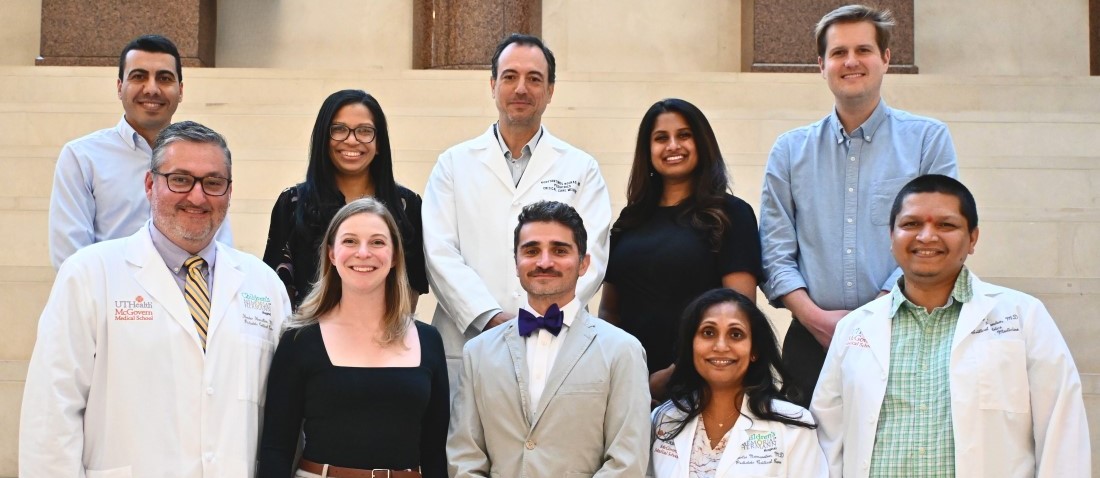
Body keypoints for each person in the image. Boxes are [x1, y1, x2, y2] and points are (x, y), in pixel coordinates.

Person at [20, 121, 290, 476]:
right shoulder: (89, 274)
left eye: (213, 183)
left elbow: (282, 414)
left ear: (228, 192)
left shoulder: (264, 285)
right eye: (179, 179)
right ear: (150, 185)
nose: (197, 196)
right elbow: (51, 414)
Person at [811, 174, 1090, 477]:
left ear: (973, 239)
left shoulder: (1024, 317)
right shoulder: (854, 328)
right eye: (911, 224)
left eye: (946, 225)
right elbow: (827, 442)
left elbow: (1062, 429)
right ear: (891, 237)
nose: (927, 236)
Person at [758, 4, 958, 405]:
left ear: (885, 58)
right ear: (821, 65)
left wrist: (870, 319)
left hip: (905, 328)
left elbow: (936, 239)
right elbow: (774, 252)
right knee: (809, 461)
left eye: (863, 50)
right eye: (838, 53)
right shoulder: (789, 151)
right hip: (812, 340)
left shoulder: (928, 141)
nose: (851, 61)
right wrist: (817, 320)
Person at [423, 33, 612, 393]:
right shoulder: (453, 164)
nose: (521, 88)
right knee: (467, 445)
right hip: (469, 342)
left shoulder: (581, 168)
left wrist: (540, 318)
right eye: (510, 77)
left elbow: (592, 256)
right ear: (493, 85)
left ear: (551, 90)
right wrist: (492, 319)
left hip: (555, 340)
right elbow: (439, 254)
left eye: (534, 78)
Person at [448, 201, 649, 477]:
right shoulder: (477, 352)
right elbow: (464, 457)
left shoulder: (622, 350)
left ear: (583, 263)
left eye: (559, 250)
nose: (544, 262)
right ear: (516, 263)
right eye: (531, 251)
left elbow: (628, 462)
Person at [259, 197, 448, 478]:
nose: (363, 252)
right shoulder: (300, 340)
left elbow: (434, 454)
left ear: (395, 255)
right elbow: (276, 449)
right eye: (349, 241)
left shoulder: (429, 340)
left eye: (377, 242)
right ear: (332, 254)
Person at [602, 98, 762, 403]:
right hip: (629, 389)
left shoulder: (732, 215)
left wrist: (678, 373)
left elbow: (739, 311)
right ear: (647, 151)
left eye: (684, 135)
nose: (673, 145)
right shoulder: (630, 220)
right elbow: (610, 310)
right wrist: (627, 377)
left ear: (701, 142)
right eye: (661, 138)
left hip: (702, 385)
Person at [49, 34, 231, 269]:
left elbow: (220, 243)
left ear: (181, 90)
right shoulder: (82, 157)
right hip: (113, 299)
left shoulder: (204, 157)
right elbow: (71, 258)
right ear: (119, 87)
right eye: (139, 76)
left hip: (190, 298)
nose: (152, 89)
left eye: (164, 78)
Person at [264, 89, 427, 309]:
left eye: (365, 131)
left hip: (386, 338)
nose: (351, 140)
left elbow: (411, 287)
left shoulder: (406, 206)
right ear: (323, 137)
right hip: (307, 336)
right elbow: (277, 285)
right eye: (339, 130)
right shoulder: (292, 203)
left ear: (379, 143)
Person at [649, 288, 827, 477]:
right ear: (691, 345)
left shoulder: (794, 426)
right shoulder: (663, 419)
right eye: (708, 333)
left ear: (754, 350)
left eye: (736, 334)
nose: (720, 346)